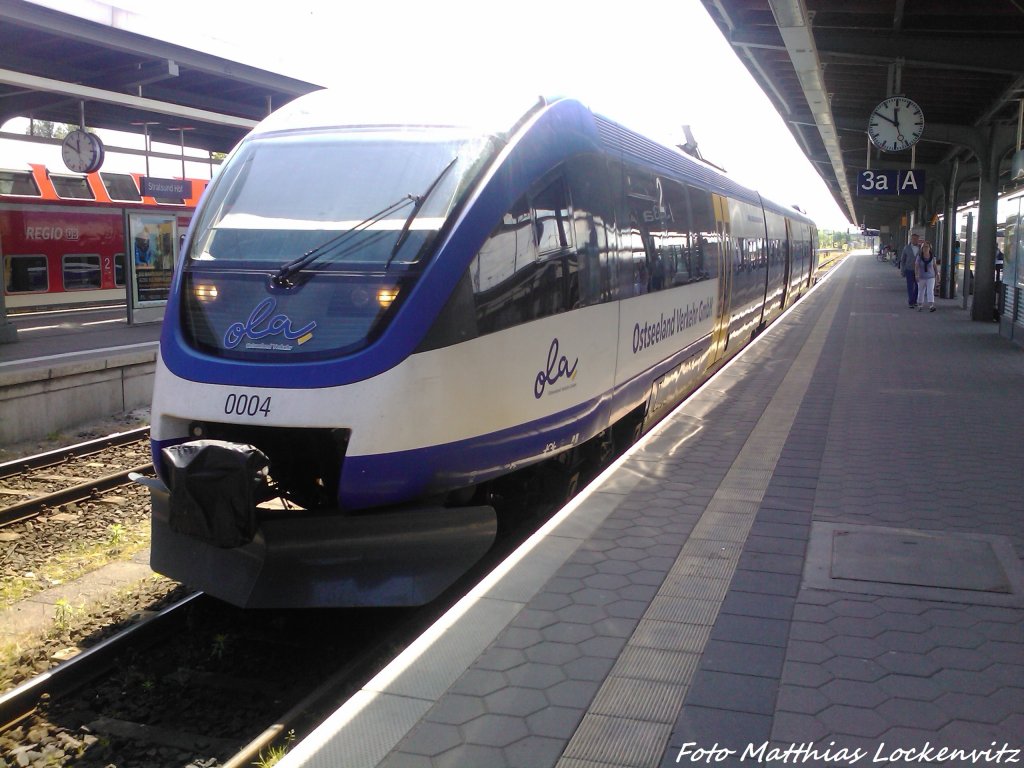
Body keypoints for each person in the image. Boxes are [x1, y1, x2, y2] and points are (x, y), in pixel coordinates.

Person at [900, 232, 922, 307]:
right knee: (910, 286)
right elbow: (902, 260)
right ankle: (911, 301)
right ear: (911, 239)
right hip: (909, 269)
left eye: (916, 239)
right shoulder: (906, 248)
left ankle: (915, 300)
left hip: (918, 270)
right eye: (913, 239)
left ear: (918, 240)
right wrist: (902, 270)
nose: (915, 240)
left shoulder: (921, 248)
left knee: (918, 286)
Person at [915, 241, 938, 312]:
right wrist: (916, 275)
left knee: (930, 290)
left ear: (930, 248)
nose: (925, 248)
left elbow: (935, 266)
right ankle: (920, 305)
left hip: (931, 276)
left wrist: (937, 274)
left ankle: (931, 305)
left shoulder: (932, 257)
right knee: (921, 291)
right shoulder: (919, 257)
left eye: (927, 247)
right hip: (921, 277)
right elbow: (916, 266)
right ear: (921, 248)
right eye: (924, 247)